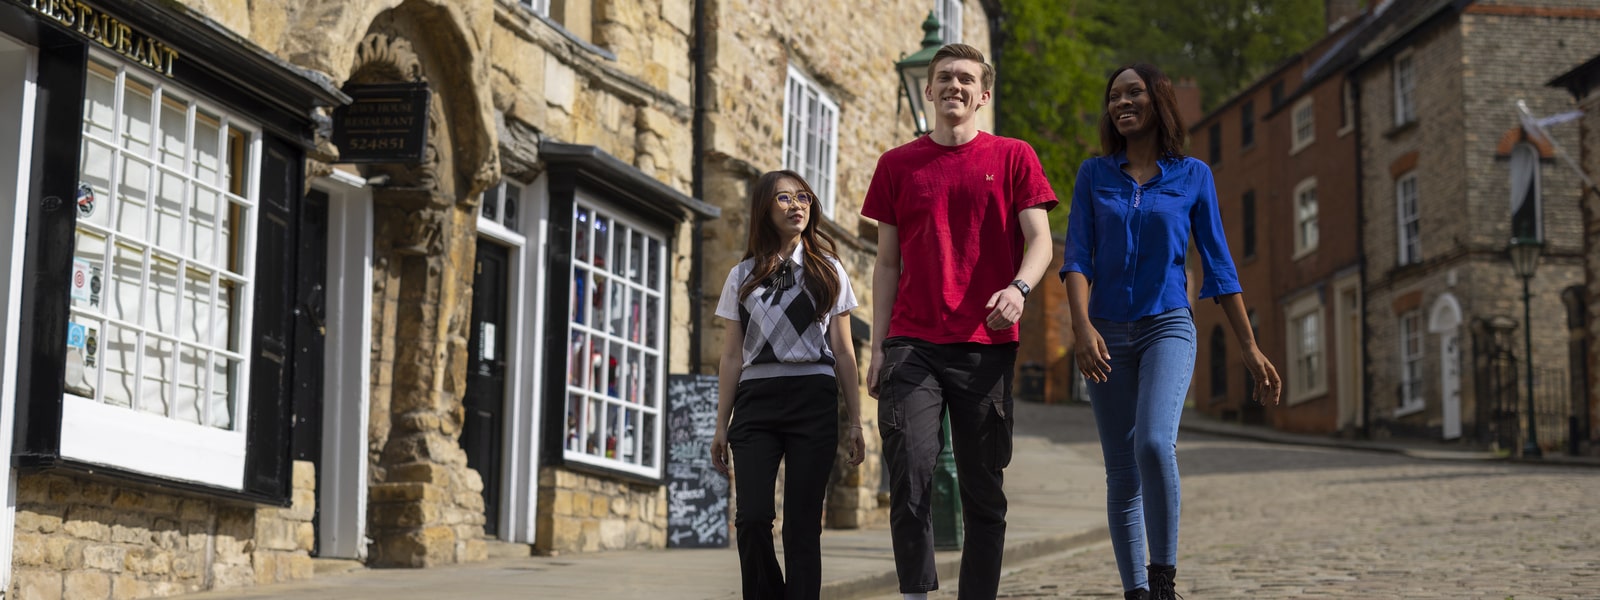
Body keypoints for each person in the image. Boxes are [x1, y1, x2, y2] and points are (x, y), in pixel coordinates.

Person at [1060, 63, 1282, 600]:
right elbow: (1077, 258)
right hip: (1106, 334)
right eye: (1114, 96)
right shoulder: (1094, 174)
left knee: (1156, 444)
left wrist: (1250, 347)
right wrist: (1082, 327)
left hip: (1168, 326)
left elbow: (1221, 266)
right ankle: (1137, 592)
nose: (1122, 103)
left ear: (1159, 100)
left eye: (1134, 92)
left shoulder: (1193, 176)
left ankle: (1163, 581)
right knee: (1121, 470)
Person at [862, 43, 1057, 600]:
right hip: (911, 344)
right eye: (944, 77)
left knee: (983, 491)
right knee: (911, 474)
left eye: (966, 79)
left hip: (985, 344)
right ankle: (916, 594)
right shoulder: (897, 165)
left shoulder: (1014, 156)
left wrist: (1020, 289)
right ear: (928, 89)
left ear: (983, 95)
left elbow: (1041, 240)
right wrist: (877, 348)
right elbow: (887, 263)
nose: (954, 85)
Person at [710, 170, 866, 600]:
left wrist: (855, 421)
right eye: (783, 199)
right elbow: (731, 356)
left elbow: (845, 351)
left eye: (803, 197)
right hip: (756, 404)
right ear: (765, 208)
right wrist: (721, 424)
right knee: (753, 519)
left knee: (802, 525)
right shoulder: (742, 275)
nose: (796, 205)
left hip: (812, 400)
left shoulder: (829, 270)